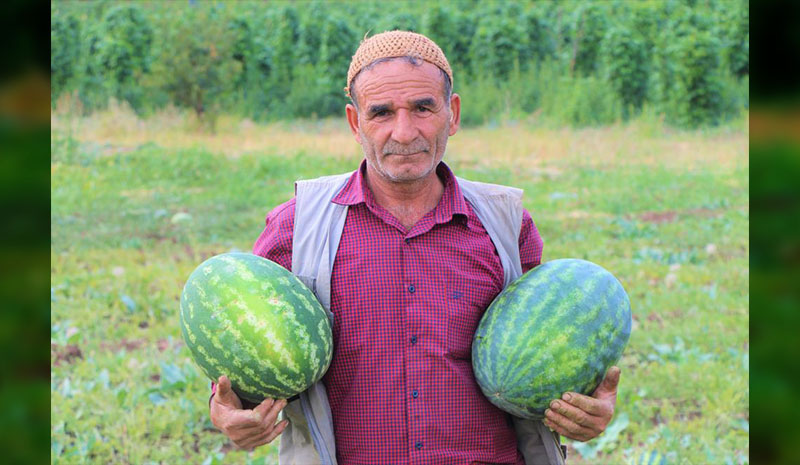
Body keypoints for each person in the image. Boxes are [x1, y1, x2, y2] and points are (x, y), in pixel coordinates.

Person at [208, 30, 621, 464]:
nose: (404, 133)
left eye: (423, 108)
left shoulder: (504, 224)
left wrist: (590, 407)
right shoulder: (298, 226)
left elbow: (547, 348)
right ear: (354, 122)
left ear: (453, 113)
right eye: (381, 113)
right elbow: (243, 343)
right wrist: (226, 408)